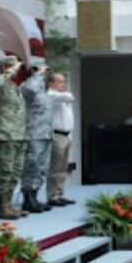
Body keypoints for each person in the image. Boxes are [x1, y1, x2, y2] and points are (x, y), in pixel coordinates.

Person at [0, 55, 27, 220]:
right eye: (14, 67)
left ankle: (9, 204)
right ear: (5, 68)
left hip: (19, 134)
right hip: (5, 134)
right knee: (5, 171)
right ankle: (2, 206)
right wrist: (9, 72)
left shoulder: (16, 87)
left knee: (15, 171)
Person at [21, 59, 52, 213]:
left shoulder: (43, 90)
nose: (45, 74)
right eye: (42, 71)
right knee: (31, 167)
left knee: (41, 167)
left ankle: (35, 196)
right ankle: (28, 199)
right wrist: (37, 74)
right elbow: (30, 91)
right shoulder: (28, 85)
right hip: (33, 133)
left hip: (45, 133)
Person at [47, 72, 76, 206]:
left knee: (63, 167)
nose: (63, 84)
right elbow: (69, 96)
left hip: (66, 134)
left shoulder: (62, 97)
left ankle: (60, 193)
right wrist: (66, 95)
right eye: (60, 81)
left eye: (63, 81)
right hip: (57, 135)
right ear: (51, 83)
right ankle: (52, 195)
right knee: (55, 166)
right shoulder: (51, 95)